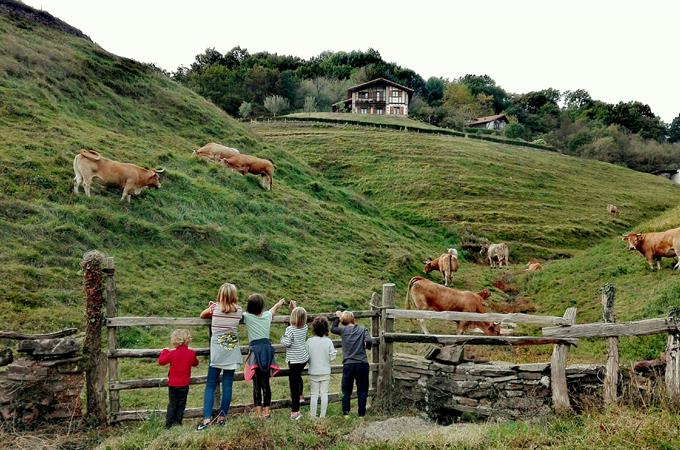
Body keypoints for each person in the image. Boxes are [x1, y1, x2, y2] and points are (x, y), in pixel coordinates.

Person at [196, 283, 243, 430]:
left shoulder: (214, 308)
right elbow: (236, 315)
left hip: (217, 351)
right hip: (231, 350)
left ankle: (207, 419)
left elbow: (202, 315)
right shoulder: (239, 310)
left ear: (220, 294)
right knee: (227, 384)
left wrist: (213, 305)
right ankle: (222, 417)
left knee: (210, 384)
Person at [243, 293, 285, 418]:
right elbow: (272, 310)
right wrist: (279, 304)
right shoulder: (267, 315)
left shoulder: (247, 317)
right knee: (266, 383)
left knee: (256, 383)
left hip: (255, 352)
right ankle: (267, 412)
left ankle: (258, 413)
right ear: (262, 306)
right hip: (266, 351)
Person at [332, 310, 373, 417]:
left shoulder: (343, 330)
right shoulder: (363, 329)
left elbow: (333, 329)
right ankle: (361, 414)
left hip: (348, 364)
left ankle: (346, 414)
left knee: (346, 390)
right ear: (353, 319)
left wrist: (337, 317)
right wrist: (366, 347)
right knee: (362, 390)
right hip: (362, 363)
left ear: (344, 321)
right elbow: (369, 341)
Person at [158, 329, 199, 429]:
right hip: (184, 384)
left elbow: (161, 361)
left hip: (173, 384)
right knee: (181, 404)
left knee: (172, 404)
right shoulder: (191, 353)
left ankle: (168, 425)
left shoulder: (172, 354)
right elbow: (195, 363)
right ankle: (178, 423)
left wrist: (164, 351)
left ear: (175, 340)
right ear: (188, 340)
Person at [280, 301, 309, 420]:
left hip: (294, 360)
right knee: (298, 377)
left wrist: (282, 338)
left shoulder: (290, 329)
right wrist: (295, 308)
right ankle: (301, 395)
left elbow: (287, 343)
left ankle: (295, 412)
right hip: (303, 358)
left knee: (293, 385)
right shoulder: (305, 327)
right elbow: (300, 316)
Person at [306, 316, 337, 418]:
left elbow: (306, 356)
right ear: (326, 328)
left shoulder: (309, 341)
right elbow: (332, 357)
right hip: (325, 371)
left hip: (313, 371)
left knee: (314, 394)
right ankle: (322, 416)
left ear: (314, 328)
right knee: (324, 394)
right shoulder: (328, 341)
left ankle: (313, 416)